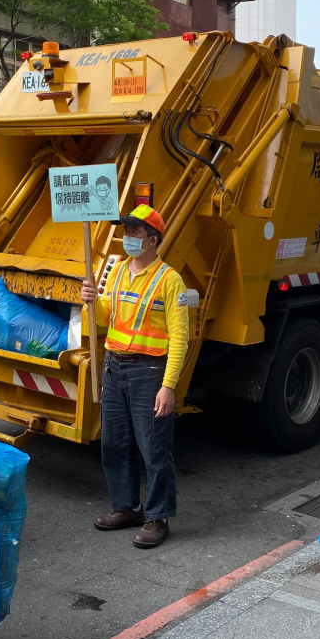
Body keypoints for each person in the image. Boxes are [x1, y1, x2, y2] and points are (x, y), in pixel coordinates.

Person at [80, 204, 189, 549]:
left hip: (149, 372)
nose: (126, 237)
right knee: (116, 444)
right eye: (125, 231)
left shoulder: (170, 280)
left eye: (134, 232)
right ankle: (127, 508)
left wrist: (168, 386)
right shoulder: (118, 272)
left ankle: (158, 518)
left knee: (154, 448)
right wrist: (91, 301)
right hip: (115, 366)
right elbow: (103, 321)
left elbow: (180, 337)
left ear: (152, 240)